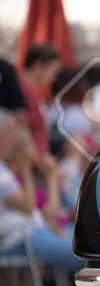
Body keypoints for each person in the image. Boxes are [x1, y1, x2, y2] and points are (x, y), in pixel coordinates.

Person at [0, 108, 80, 272]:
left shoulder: (7, 172)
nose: (13, 138)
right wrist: (32, 171)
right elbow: (31, 207)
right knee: (83, 252)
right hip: (20, 238)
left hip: (33, 233)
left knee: (90, 244)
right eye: (10, 132)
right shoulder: (11, 173)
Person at [18, 44, 61, 154]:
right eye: (52, 72)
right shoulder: (20, 91)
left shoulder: (29, 91)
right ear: (38, 66)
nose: (53, 78)